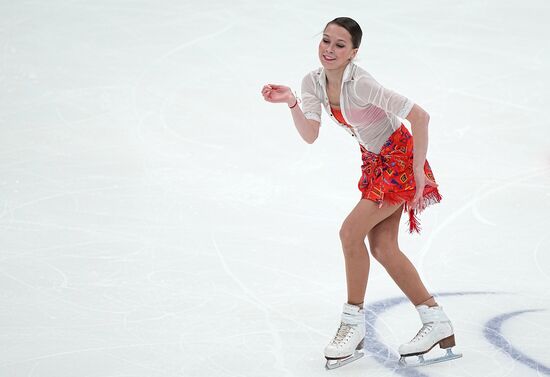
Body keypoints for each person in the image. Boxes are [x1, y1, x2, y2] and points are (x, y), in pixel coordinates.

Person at [261, 17, 461, 370]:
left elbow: (421, 117)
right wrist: (292, 101)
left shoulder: (363, 83)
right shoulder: (313, 83)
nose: (329, 49)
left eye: (340, 45)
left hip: (398, 159)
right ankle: (436, 322)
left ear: (353, 53)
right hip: (374, 162)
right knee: (383, 248)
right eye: (325, 41)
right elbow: (310, 134)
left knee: (350, 232)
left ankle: (352, 325)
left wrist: (417, 173)